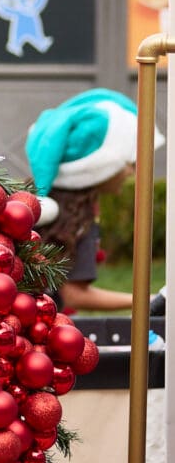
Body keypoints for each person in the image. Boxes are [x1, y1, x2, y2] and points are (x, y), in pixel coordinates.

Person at [26, 88, 162, 314]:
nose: (131, 171)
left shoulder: (38, 204)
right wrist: (150, 299)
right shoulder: (78, 218)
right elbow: (74, 295)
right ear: (96, 165)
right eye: (126, 161)